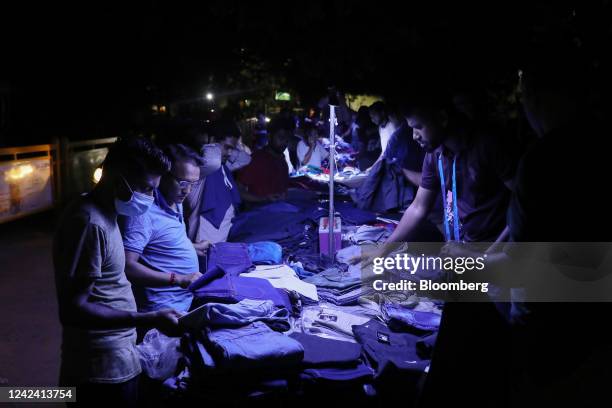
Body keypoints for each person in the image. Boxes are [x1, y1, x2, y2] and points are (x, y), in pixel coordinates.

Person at [53, 136, 183, 406]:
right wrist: (147, 318)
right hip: (98, 372)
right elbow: (74, 308)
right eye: (146, 188)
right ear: (118, 178)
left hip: (118, 358)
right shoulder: (89, 223)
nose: (150, 197)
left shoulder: (107, 213)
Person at [121, 144, 210, 314]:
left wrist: (192, 247)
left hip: (186, 301)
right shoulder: (143, 213)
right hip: (164, 310)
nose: (187, 190)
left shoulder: (175, 200)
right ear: (164, 174)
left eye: (193, 184)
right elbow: (128, 266)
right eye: (182, 182)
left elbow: (159, 242)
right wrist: (178, 279)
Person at [184, 120, 244, 243]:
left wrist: (235, 143)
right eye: (227, 147)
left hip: (226, 241)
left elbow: (245, 159)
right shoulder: (200, 170)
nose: (230, 153)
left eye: (232, 149)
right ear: (212, 141)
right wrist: (211, 143)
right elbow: (213, 161)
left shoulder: (224, 168)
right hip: (205, 244)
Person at [236, 116, 293, 202]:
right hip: (259, 212)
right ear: (269, 136)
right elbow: (238, 191)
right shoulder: (256, 160)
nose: (284, 143)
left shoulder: (282, 160)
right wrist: (263, 199)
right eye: (281, 138)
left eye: (287, 139)